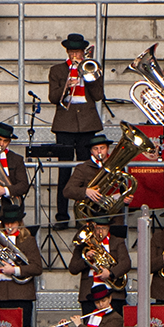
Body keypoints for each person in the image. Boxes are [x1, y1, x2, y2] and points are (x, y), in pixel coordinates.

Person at [48, 33, 106, 221]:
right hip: (65, 125)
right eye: (72, 52)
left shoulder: (92, 68)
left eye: (79, 52)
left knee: (88, 172)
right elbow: (53, 98)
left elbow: (98, 95)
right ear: (67, 52)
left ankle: (86, 214)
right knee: (64, 171)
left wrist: (90, 76)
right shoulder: (57, 70)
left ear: (83, 53)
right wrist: (66, 85)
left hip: (88, 124)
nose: (76, 55)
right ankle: (62, 215)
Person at [0, 201, 42, 327]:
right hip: (0, 295)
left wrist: (14, 270)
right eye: (6, 223)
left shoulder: (28, 240)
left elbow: (37, 268)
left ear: (19, 223)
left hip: (22, 296)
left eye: (13, 223)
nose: (9, 226)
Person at [68, 215, 131, 314]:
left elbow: (126, 263)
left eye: (104, 228)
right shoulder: (83, 245)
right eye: (98, 228)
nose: (100, 232)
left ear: (109, 228)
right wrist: (86, 259)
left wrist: (110, 273)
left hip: (113, 292)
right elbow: (73, 268)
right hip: (89, 293)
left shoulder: (117, 241)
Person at [63, 131, 126, 223]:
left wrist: (125, 199)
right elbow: (67, 191)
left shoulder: (117, 166)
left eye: (102, 148)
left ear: (108, 148)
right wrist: (86, 191)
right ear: (91, 151)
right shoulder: (83, 168)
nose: (99, 151)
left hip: (113, 215)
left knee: (118, 235)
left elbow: (123, 189)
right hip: (90, 215)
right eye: (95, 149)